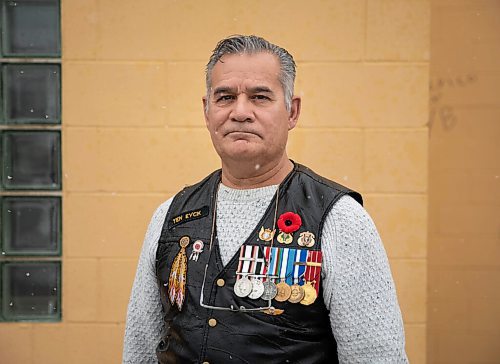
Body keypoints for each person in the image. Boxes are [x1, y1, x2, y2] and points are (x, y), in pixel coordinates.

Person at [123, 35, 408, 363]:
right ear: (207, 110)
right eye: (225, 97)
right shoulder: (170, 217)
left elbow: (375, 356)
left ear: (292, 111)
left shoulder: (339, 219)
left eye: (260, 97)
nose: (240, 112)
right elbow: (140, 349)